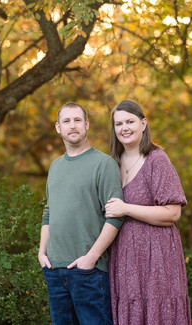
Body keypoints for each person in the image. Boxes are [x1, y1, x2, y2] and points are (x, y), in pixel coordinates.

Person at [104, 99, 191, 325]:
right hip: (123, 257)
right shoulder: (111, 164)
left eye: (130, 121)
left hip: (157, 257)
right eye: (119, 123)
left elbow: (173, 213)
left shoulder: (157, 160)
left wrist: (126, 209)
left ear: (143, 123)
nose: (125, 128)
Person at [38, 102, 124, 325]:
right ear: (58, 127)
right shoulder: (55, 166)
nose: (72, 125)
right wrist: (42, 253)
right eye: (66, 121)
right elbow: (49, 212)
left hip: (88, 272)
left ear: (87, 124)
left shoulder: (104, 164)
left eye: (77, 120)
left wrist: (91, 259)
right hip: (54, 270)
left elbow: (115, 216)